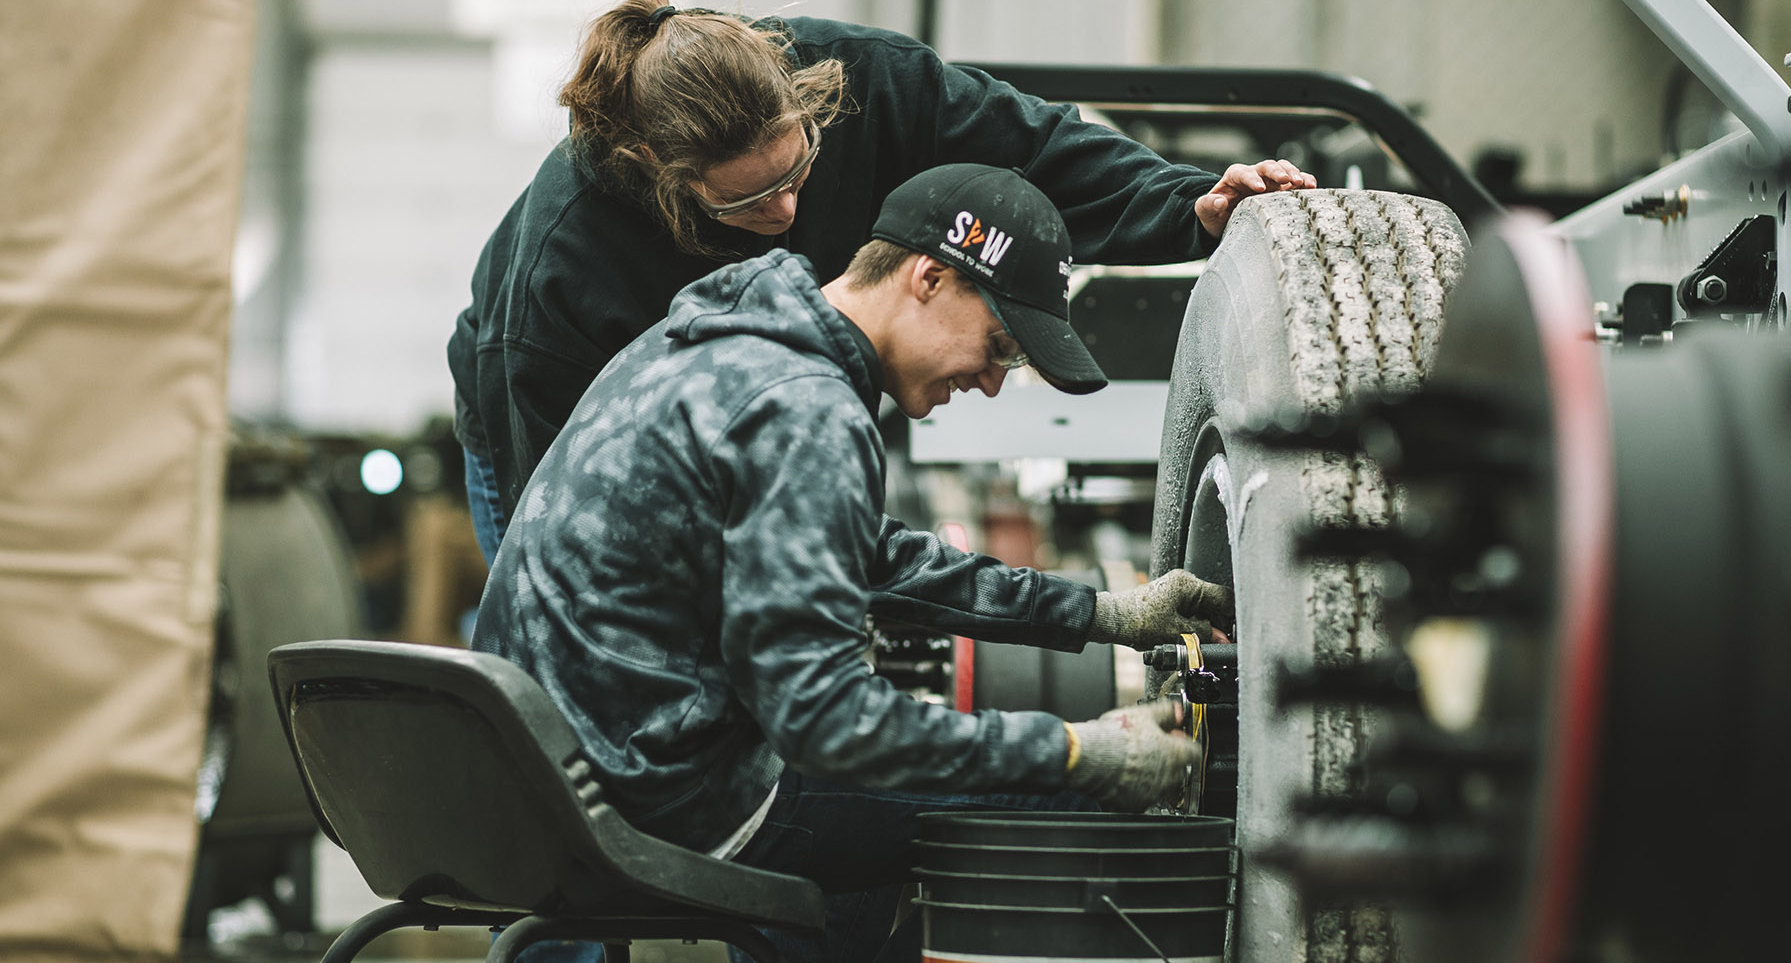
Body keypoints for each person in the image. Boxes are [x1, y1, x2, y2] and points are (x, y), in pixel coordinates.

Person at [472, 165, 1235, 963]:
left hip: (543, 777)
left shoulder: (717, 341)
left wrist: (1103, 613)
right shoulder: (809, 406)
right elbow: (829, 723)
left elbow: (869, 557)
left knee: (885, 809)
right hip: (653, 799)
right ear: (929, 278)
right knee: (1079, 805)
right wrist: (1080, 752)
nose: (990, 382)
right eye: (1000, 347)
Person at [452, 0, 1315, 562]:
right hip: (539, 435)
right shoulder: (557, 283)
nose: (789, 217)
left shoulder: (867, 81)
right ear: (661, 175)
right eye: (747, 203)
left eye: (799, 174)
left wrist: (1186, 204)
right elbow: (566, 546)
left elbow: (1038, 147)